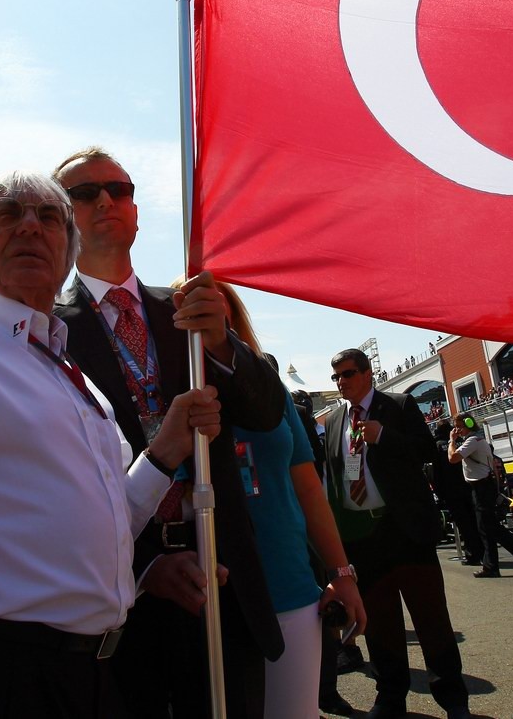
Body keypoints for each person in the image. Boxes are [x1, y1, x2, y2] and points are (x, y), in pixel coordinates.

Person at [0, 171, 223, 717]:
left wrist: (163, 454)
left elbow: (107, 517)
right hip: (8, 676)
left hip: (95, 675)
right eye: (7, 215)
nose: (31, 226)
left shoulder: (69, 371)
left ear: (67, 251)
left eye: (49, 217)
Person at [51, 147, 285, 719]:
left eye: (119, 188)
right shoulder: (48, 329)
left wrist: (222, 344)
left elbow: (266, 412)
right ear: (61, 219)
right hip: (121, 591)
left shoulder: (189, 308)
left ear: (136, 210)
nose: (106, 200)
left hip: (221, 572)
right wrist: (146, 564)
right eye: (84, 194)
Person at [205, 282, 365, 719]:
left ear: (234, 321)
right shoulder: (171, 392)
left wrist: (341, 572)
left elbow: (308, 487)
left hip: (287, 583)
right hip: (207, 593)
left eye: (216, 312)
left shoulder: (272, 389)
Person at [326, 349, 471, 719]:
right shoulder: (333, 422)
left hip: (405, 529)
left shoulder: (399, 405)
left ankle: (453, 699)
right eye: (336, 376)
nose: (342, 381)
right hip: (363, 536)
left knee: (431, 619)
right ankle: (390, 697)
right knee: (378, 623)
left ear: (367, 372)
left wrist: (384, 436)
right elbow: (333, 478)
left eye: (348, 373)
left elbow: (428, 452)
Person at [447, 414, 513, 578]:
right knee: (487, 528)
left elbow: (453, 458)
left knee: (490, 527)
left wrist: (451, 441)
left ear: (468, 424)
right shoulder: (474, 441)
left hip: (482, 487)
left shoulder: (473, 441)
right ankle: (492, 566)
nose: (456, 430)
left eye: (459, 426)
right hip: (481, 487)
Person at [431, 421, 484, 566]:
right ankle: (482, 552)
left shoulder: (438, 445)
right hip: (468, 485)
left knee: (464, 524)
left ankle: (472, 554)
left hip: (451, 490)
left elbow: (435, 472)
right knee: (474, 521)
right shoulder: (462, 441)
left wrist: (438, 491)